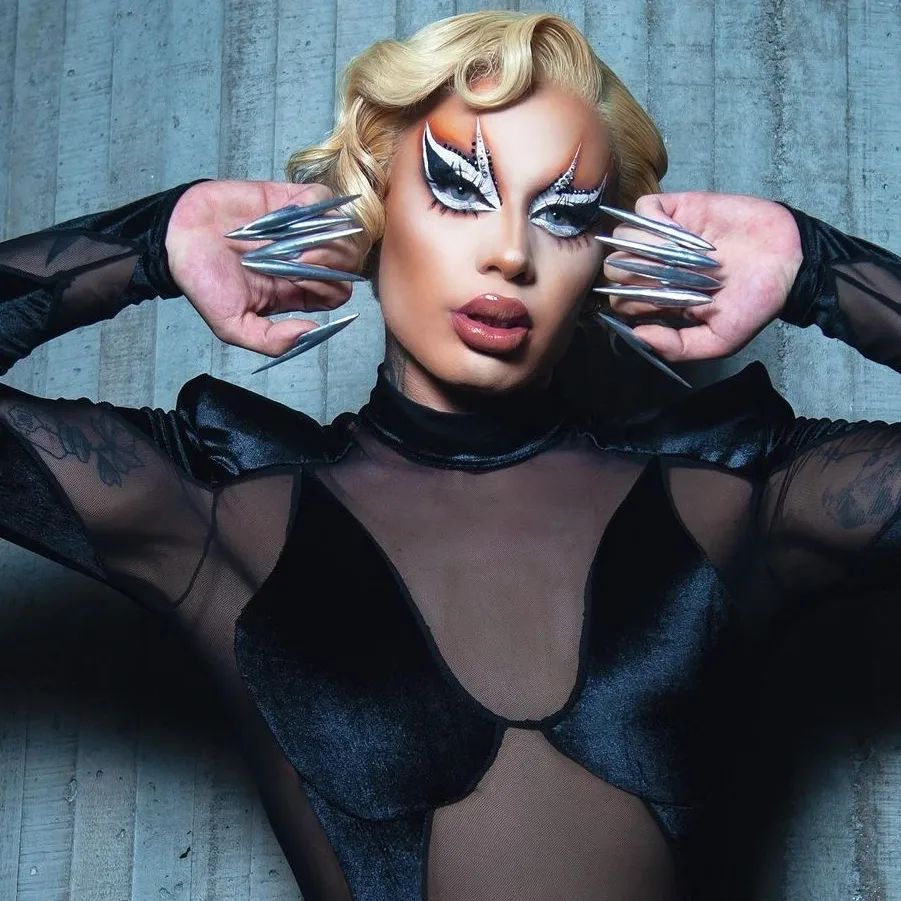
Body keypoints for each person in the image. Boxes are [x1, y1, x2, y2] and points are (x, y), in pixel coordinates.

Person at [1, 9, 899, 901]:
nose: (509, 252)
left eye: (564, 215)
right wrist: (154, 242)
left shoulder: (729, 491)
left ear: (607, 256)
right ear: (374, 201)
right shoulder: (229, 509)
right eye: (460, 187)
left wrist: (815, 269)